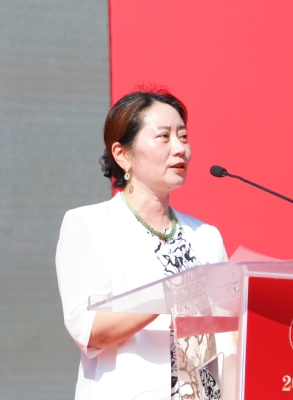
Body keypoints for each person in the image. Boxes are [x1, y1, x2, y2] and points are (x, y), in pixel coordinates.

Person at [56, 88, 234, 400]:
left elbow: (227, 338)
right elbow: (89, 330)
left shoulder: (206, 236)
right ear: (122, 154)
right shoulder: (89, 224)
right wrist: (171, 293)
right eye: (164, 137)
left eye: (183, 136)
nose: (180, 149)